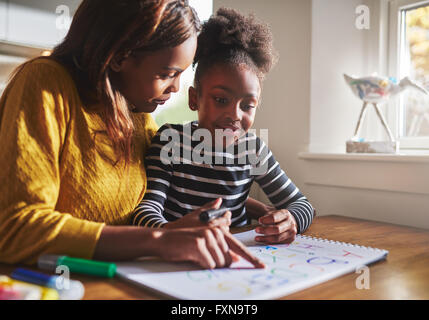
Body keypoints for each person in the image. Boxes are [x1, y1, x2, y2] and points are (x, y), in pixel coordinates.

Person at [0, 0, 265, 270]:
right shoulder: (45, 85)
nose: (175, 88)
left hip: (125, 278)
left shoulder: (135, 111)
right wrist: (159, 239)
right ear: (118, 57)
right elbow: (16, 227)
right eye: (166, 74)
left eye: (180, 75)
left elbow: (184, 174)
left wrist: (266, 213)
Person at [131, 8, 315, 244]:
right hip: (177, 257)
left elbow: (302, 205)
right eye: (221, 100)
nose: (234, 115)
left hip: (233, 257)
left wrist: (291, 220)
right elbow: (145, 210)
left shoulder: (252, 151)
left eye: (248, 105)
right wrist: (171, 233)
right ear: (194, 98)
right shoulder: (171, 140)